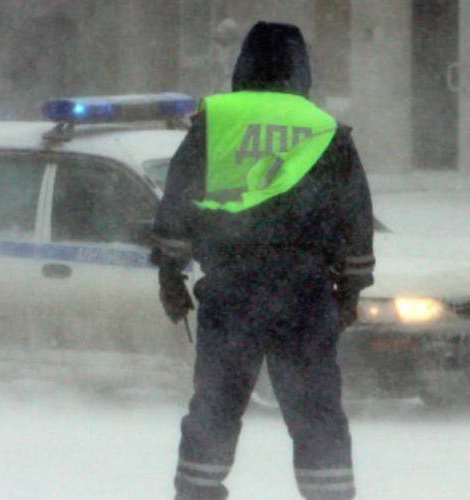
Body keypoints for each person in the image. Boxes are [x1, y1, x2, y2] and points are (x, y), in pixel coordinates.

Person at [151, 21, 375, 500]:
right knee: (315, 411)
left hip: (231, 290)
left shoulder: (218, 121)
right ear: (302, 68)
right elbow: (354, 216)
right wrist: (351, 291)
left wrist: (170, 275)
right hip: (304, 294)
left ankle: (197, 492)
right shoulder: (324, 129)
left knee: (215, 406)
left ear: (244, 65)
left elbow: (177, 202)